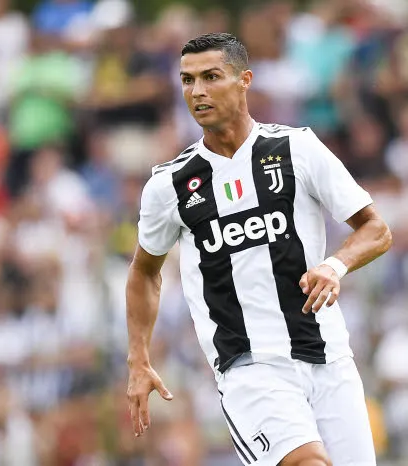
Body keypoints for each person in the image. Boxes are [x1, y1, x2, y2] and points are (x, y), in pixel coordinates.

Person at [125, 32, 392, 466]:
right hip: (250, 368)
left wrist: (334, 265)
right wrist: (139, 359)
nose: (198, 91)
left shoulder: (297, 149)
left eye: (211, 77)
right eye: (188, 80)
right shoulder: (169, 185)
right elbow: (143, 271)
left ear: (244, 80)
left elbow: (375, 229)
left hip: (329, 355)